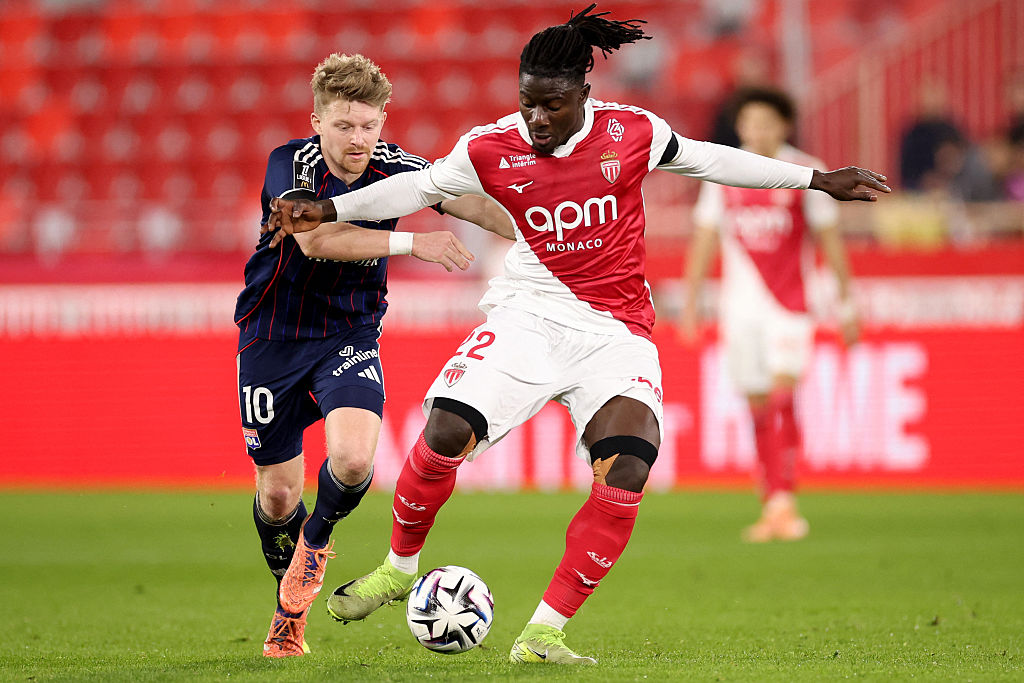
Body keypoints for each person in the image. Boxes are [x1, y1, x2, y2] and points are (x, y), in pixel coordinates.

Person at [267, 4, 889, 665]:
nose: (537, 119)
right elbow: (415, 188)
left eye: (552, 105)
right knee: (447, 429)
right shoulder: (488, 147)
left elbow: (711, 160)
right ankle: (399, 567)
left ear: (584, 94)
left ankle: (544, 632)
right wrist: (328, 206)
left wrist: (816, 179)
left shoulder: (634, 131)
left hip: (615, 330)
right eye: (528, 104)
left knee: (629, 467)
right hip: (529, 314)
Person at [239, 52, 513, 658]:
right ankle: (286, 578)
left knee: (354, 459)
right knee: (278, 495)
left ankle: (312, 555)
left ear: (383, 120)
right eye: (343, 125)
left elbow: (467, 200)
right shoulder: (289, 165)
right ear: (317, 121)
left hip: (350, 334)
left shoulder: (398, 166)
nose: (358, 139)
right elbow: (315, 239)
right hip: (272, 338)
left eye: (368, 125)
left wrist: (542, 233)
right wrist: (414, 242)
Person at [680, 87, 859, 543]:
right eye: (749, 122)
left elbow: (829, 240)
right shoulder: (722, 171)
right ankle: (772, 501)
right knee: (758, 407)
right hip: (739, 310)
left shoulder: (807, 172)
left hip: (790, 306)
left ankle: (785, 500)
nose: (756, 130)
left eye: (766, 122)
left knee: (781, 398)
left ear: (784, 126)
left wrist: (846, 305)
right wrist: (691, 303)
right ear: (740, 126)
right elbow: (704, 238)